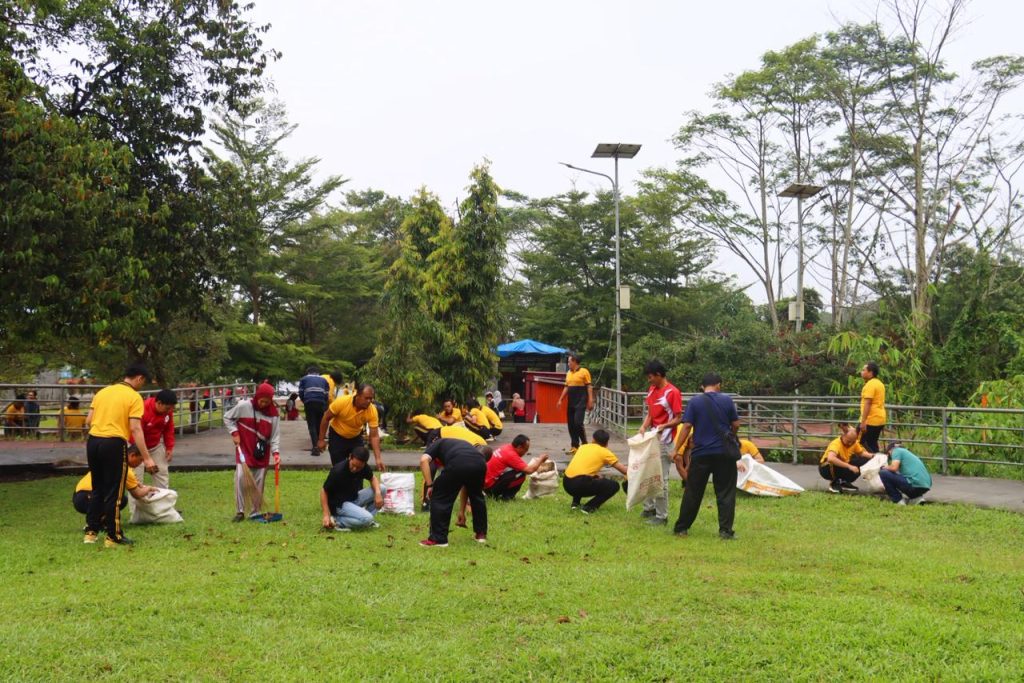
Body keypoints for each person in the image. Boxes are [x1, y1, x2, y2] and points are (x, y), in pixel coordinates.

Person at [83, 364, 156, 547]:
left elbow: (88, 421)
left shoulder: (103, 392)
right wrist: (147, 458)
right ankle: (113, 536)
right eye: (143, 382)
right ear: (139, 378)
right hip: (113, 443)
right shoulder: (134, 397)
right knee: (114, 491)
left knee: (97, 488)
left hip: (93, 441)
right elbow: (135, 428)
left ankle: (91, 533)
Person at [672, 372, 741, 540]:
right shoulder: (727, 400)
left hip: (701, 453)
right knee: (725, 493)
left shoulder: (695, 402)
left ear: (703, 387)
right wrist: (729, 436)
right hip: (724, 454)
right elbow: (736, 424)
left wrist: (676, 449)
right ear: (718, 385)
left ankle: (682, 528)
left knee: (693, 492)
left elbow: (687, 426)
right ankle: (725, 531)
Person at [224, 382, 281, 521]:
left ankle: (255, 512)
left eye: (267, 402)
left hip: (262, 452)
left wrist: (276, 453)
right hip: (244, 449)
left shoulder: (273, 414)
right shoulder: (244, 406)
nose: (263, 404)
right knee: (240, 478)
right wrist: (234, 432)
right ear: (257, 397)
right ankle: (240, 511)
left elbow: (275, 436)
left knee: (259, 482)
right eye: (262, 401)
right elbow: (227, 417)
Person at [419, 438, 492, 547]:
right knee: (477, 496)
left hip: (459, 461)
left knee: (440, 497)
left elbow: (423, 461)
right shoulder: (462, 445)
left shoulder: (437, 444)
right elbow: (465, 485)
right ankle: (480, 534)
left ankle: (438, 539)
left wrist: (430, 485)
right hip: (480, 463)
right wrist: (461, 511)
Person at [637, 360, 683, 526]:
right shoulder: (651, 390)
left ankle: (662, 516)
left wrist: (664, 425)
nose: (649, 380)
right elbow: (650, 413)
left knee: (661, 478)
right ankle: (648, 508)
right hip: (652, 438)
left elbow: (679, 418)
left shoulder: (672, 392)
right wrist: (643, 426)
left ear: (658, 375)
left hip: (665, 440)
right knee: (648, 474)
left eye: (650, 377)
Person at [317, 383, 385, 470]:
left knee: (360, 464)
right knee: (339, 468)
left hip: (355, 437)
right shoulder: (342, 402)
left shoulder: (372, 410)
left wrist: (378, 459)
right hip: (337, 436)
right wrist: (321, 439)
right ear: (358, 396)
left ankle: (357, 483)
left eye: (371, 399)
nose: (369, 401)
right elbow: (326, 418)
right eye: (366, 398)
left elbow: (374, 436)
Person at [73, 448, 157, 517]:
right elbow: (137, 494)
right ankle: (96, 523)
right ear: (132, 455)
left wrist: (137, 484)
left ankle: (99, 520)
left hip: (78, 496)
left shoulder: (115, 459)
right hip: (86, 497)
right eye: (140, 460)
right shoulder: (125, 469)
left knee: (121, 499)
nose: (141, 463)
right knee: (119, 500)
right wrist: (149, 488)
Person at [563, 428, 627, 513]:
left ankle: (575, 503)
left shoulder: (583, 447)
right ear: (607, 443)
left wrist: (596, 475)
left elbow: (583, 465)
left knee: (585, 476)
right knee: (614, 486)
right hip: (579, 484)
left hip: (566, 482)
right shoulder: (605, 452)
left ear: (593, 439)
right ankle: (589, 507)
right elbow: (624, 471)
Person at [320, 446, 384, 530]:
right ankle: (337, 520)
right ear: (350, 457)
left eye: (358, 467)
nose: (354, 469)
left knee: (382, 489)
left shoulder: (363, 467)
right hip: (340, 505)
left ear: (364, 463)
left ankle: (364, 519)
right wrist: (326, 515)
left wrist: (378, 494)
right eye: (353, 465)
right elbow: (323, 491)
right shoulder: (338, 471)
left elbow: (373, 478)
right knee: (368, 518)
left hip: (354, 498)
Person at [130, 388, 177, 493]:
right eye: (167, 408)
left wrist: (169, 447)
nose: (169, 411)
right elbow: (135, 432)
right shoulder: (142, 409)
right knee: (136, 478)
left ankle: (162, 505)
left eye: (171, 409)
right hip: (136, 447)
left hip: (155, 446)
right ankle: (136, 509)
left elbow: (169, 429)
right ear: (159, 403)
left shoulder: (167, 412)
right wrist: (145, 457)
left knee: (161, 472)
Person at [484, 434, 549, 500]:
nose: (525, 452)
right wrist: (541, 459)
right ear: (519, 447)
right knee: (521, 473)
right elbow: (529, 470)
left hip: (484, 485)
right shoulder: (511, 455)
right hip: (490, 487)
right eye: (525, 449)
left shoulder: (506, 447)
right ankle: (507, 498)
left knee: (517, 469)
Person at [818, 424, 873, 494]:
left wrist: (874, 456)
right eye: (848, 441)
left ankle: (844, 482)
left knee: (864, 460)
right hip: (826, 468)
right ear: (843, 436)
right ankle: (834, 482)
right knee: (835, 460)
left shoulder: (854, 443)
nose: (850, 444)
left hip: (842, 465)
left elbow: (861, 453)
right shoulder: (836, 443)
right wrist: (849, 466)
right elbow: (830, 458)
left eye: (852, 442)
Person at [556, 353, 593, 453]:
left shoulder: (584, 372)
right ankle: (574, 445)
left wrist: (590, 400)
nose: (568, 363)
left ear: (575, 361)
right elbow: (566, 387)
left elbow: (589, 387)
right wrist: (560, 399)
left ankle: (585, 443)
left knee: (578, 423)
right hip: (571, 401)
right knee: (571, 424)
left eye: (569, 361)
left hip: (581, 400)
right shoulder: (568, 373)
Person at [298, 365, 330, 456]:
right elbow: (326, 395)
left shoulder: (304, 379)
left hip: (309, 402)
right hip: (321, 403)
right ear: (318, 373)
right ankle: (319, 445)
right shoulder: (324, 380)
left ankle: (315, 447)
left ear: (308, 372)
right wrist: (324, 404)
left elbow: (301, 393)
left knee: (311, 425)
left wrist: (305, 401)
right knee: (319, 424)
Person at [858, 361, 886, 453]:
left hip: (870, 420)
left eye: (863, 370)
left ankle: (867, 465)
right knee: (872, 444)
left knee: (859, 444)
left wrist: (863, 421)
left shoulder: (870, 385)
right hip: (879, 419)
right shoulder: (879, 383)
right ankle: (878, 464)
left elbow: (868, 403)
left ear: (870, 372)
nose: (861, 372)